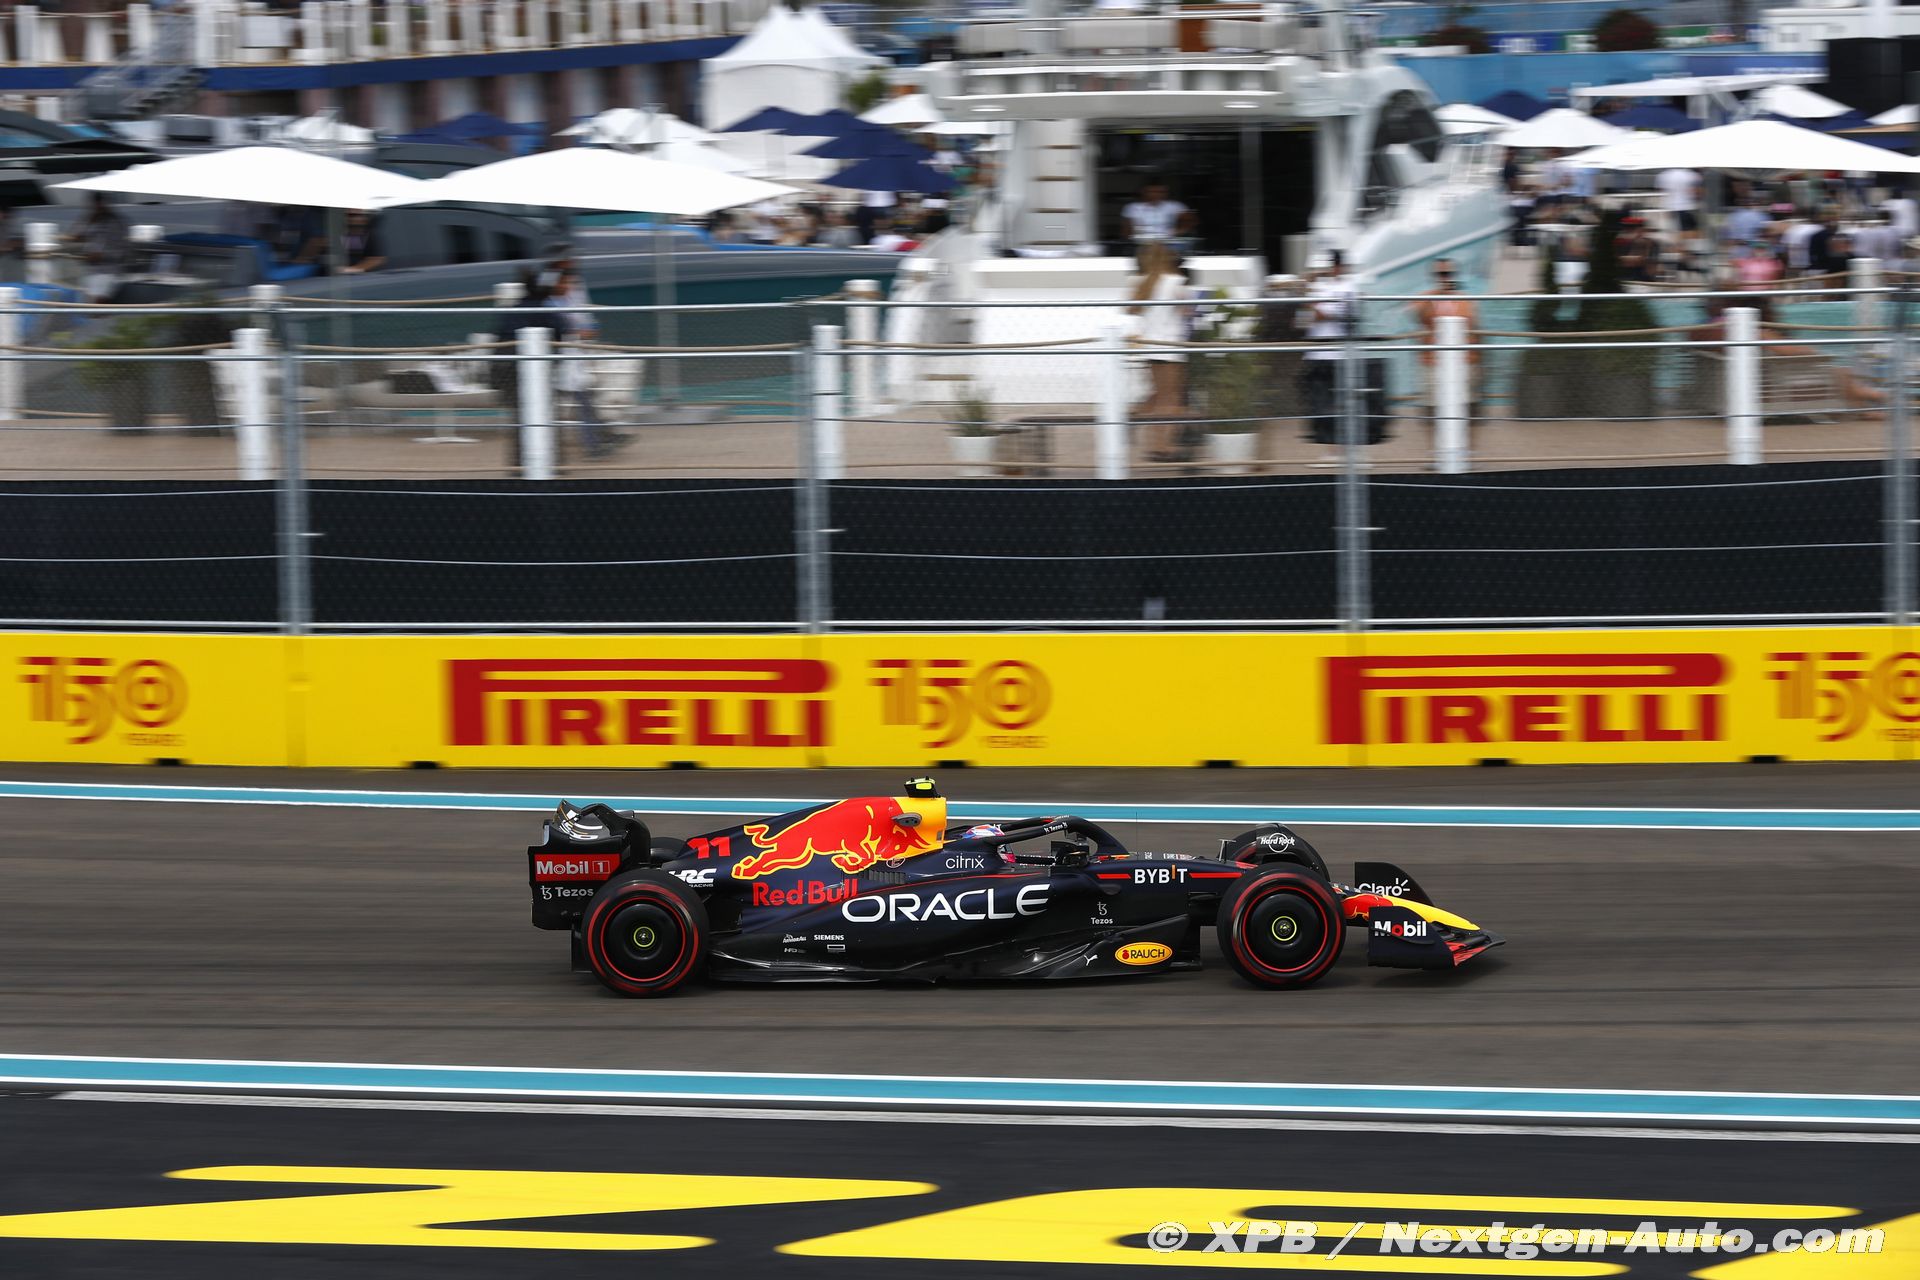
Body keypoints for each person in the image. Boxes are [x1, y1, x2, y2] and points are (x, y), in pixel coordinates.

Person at [1127, 241, 1193, 461]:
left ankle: (1145, 431)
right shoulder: (1175, 281)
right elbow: (1187, 311)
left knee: (1158, 395)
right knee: (1171, 399)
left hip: (1150, 346)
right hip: (1170, 345)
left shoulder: (1143, 282)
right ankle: (1162, 446)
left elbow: (1131, 310)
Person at [1297, 250, 1355, 456]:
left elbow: (1325, 315)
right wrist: (1307, 296)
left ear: (1338, 266)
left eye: (1331, 265)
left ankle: (1343, 450)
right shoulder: (1319, 289)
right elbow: (1302, 322)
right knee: (1320, 403)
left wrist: (1307, 300)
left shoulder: (1348, 288)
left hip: (1335, 354)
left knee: (1339, 403)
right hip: (1315, 354)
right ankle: (1331, 449)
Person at [1411, 257, 1479, 429]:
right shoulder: (1425, 298)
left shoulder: (1465, 299)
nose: (1445, 278)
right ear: (1433, 276)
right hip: (1433, 362)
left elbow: (1474, 328)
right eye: (1441, 274)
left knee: (1463, 412)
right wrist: (1435, 295)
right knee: (1433, 412)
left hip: (1462, 362)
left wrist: (1475, 361)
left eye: (1449, 273)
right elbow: (1417, 317)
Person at [70, 192, 129, 301]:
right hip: (90, 271)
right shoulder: (90, 218)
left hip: (107, 271)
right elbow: (77, 236)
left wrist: (101, 256)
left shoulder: (116, 222)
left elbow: (120, 251)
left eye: (99, 203)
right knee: (85, 300)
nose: (95, 206)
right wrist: (90, 220)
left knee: (97, 302)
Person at [1121, 181, 1195, 251]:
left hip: (1168, 242)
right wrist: (1130, 240)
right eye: (1152, 192)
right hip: (1141, 243)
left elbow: (1191, 221)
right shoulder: (1132, 207)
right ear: (1143, 192)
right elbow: (1126, 230)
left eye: (1160, 192)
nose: (1156, 194)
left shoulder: (1175, 206)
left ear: (1166, 193)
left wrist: (1177, 232)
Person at [1656, 166, 1701, 235]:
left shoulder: (1663, 175)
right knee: (1691, 230)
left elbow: (1662, 192)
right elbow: (1696, 192)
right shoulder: (1692, 175)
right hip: (1688, 207)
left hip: (1671, 207)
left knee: (1674, 231)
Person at [1613, 216, 1659, 283]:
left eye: (1632, 229)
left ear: (1642, 230)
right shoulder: (1620, 242)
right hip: (1622, 279)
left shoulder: (1650, 243)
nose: (1628, 232)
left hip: (1641, 280)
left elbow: (1648, 266)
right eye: (1626, 229)